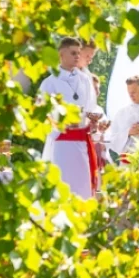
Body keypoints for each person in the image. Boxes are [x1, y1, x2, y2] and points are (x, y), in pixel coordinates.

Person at [39, 37, 99, 198]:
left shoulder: (85, 80)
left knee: (83, 188)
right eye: (73, 53)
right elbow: (40, 114)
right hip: (61, 142)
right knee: (61, 187)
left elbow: (90, 106)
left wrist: (91, 120)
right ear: (61, 55)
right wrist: (60, 123)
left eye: (79, 53)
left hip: (81, 141)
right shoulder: (49, 83)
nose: (77, 56)